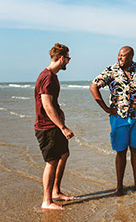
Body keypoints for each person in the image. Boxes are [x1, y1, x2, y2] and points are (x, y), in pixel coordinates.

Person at [90, 46, 136, 196]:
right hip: (119, 118)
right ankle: (119, 187)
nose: (120, 58)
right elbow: (93, 86)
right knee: (121, 151)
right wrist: (105, 108)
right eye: (118, 55)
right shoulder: (112, 70)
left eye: (123, 56)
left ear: (131, 57)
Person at [34, 43, 75, 210]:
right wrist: (63, 128)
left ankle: (56, 192)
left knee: (64, 154)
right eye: (68, 59)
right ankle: (47, 201)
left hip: (53, 126)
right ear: (61, 58)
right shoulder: (48, 77)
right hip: (47, 127)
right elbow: (47, 106)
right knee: (51, 162)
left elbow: (52, 104)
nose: (68, 62)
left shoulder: (51, 76)